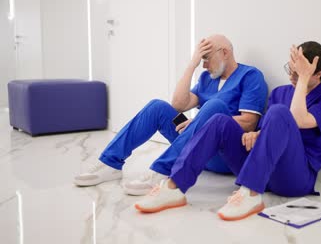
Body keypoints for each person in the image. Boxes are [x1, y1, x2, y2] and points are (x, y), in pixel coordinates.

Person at [133, 41, 321, 221]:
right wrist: (256, 134)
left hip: (294, 178)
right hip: (263, 168)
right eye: (290, 70)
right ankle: (174, 187)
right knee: (219, 121)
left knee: (280, 112)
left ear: (318, 73)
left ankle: (250, 193)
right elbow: (270, 132)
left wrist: (304, 79)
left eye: (299, 73)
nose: (292, 77)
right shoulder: (280, 92)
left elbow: (297, 119)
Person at [74, 34, 268, 196]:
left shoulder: (250, 76)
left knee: (214, 106)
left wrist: (201, 122)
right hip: (196, 145)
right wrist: (191, 65)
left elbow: (249, 122)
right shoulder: (206, 78)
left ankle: (162, 171)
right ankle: (110, 163)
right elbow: (179, 104)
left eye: (206, 58)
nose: (204, 65)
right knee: (157, 107)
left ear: (224, 53)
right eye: (201, 60)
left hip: (224, 154)